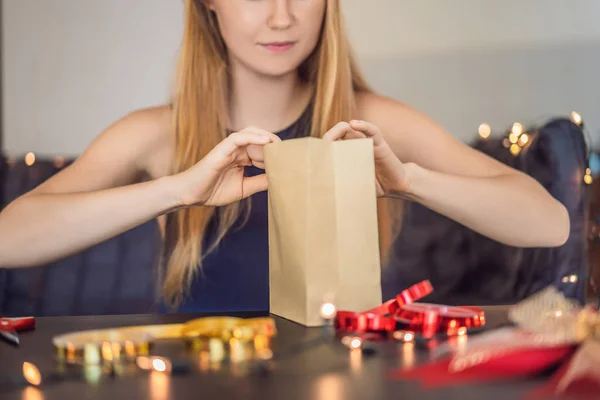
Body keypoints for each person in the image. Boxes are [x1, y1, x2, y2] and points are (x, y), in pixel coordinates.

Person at [0, 0, 569, 313]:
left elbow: (548, 223)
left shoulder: (378, 119)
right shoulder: (158, 134)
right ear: (209, 5)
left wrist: (410, 180)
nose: (281, 15)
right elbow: (9, 238)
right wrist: (178, 190)